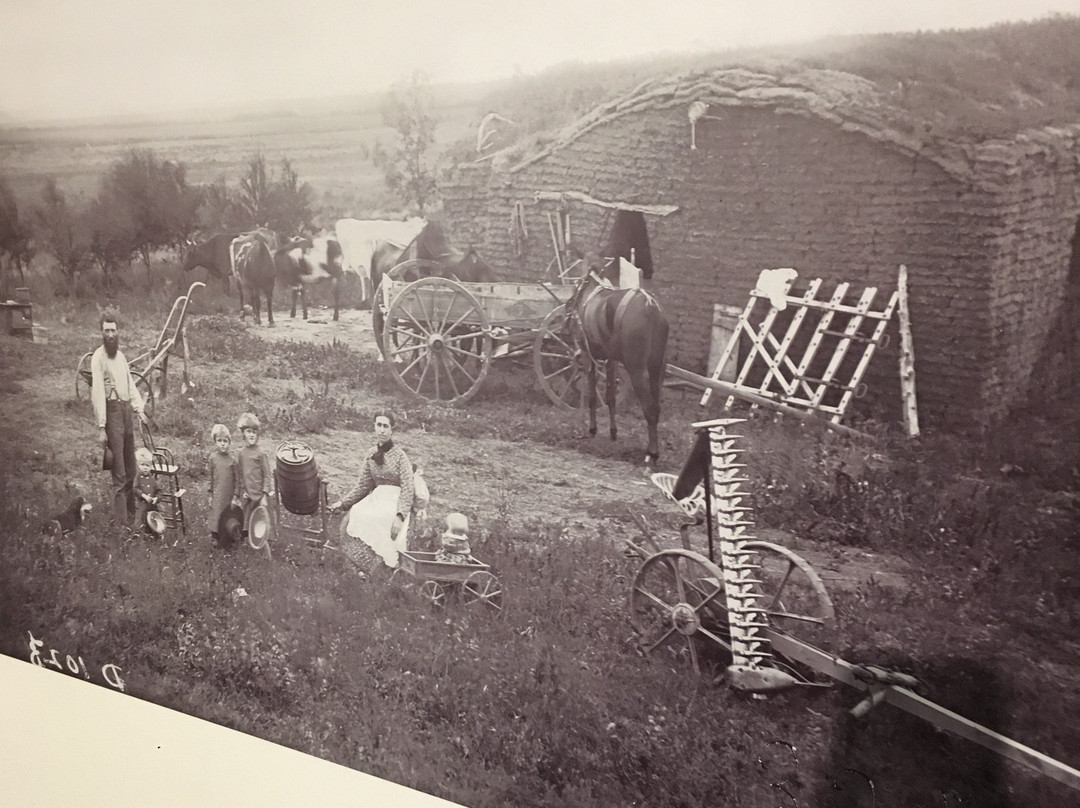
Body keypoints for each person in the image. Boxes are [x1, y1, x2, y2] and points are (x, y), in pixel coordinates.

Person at [329, 409, 415, 572]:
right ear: (374, 427)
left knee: (379, 519)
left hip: (394, 500)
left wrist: (400, 516)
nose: (382, 430)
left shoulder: (400, 456)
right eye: (379, 425)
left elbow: (408, 487)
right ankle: (361, 566)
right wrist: (342, 503)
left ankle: (382, 567)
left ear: (392, 429)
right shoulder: (371, 454)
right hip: (377, 498)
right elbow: (362, 486)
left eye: (386, 426)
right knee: (355, 515)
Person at [91, 309, 149, 527]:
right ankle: (121, 526)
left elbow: (131, 384)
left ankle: (134, 519)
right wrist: (101, 426)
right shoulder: (98, 358)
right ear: (101, 332)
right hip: (112, 414)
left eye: (113, 330)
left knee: (132, 469)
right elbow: (97, 393)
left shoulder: (121, 356)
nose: (111, 335)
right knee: (119, 472)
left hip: (126, 414)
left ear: (118, 331)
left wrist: (139, 409)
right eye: (106, 330)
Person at [234, 412, 272, 535]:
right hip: (247, 495)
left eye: (254, 432)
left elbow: (267, 476)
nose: (251, 435)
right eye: (249, 431)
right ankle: (245, 542)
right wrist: (242, 491)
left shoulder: (261, 454)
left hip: (259, 495)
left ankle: (261, 546)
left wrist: (265, 495)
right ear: (243, 433)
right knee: (246, 520)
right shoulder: (241, 454)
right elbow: (240, 475)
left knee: (260, 522)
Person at [208, 423, 239, 548]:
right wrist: (210, 493)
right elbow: (210, 477)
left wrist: (236, 496)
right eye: (219, 441)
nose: (222, 444)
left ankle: (229, 538)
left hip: (229, 496)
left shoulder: (233, 460)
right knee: (216, 515)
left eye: (225, 441)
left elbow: (238, 480)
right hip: (217, 494)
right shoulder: (213, 458)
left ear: (229, 442)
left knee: (228, 517)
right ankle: (215, 537)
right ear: (215, 442)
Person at [132, 447, 160, 534]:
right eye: (142, 465)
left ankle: (153, 534)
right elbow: (135, 489)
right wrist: (143, 496)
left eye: (147, 465)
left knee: (153, 520)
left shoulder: (152, 479)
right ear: (138, 466)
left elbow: (158, 490)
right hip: (141, 504)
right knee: (139, 520)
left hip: (151, 505)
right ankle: (138, 535)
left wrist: (157, 498)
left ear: (151, 467)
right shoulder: (138, 478)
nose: (145, 468)